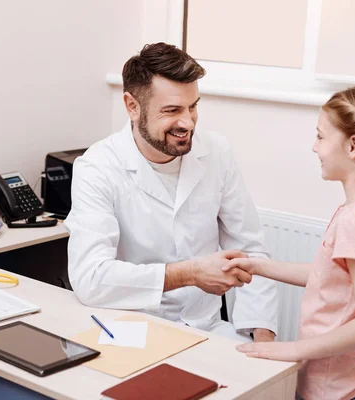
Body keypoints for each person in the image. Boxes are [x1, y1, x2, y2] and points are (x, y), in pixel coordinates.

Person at [65, 42, 278, 342]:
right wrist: (188, 274)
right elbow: (91, 279)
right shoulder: (97, 167)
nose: (187, 122)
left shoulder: (216, 152)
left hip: (207, 328)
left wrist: (262, 340)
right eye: (172, 110)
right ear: (132, 106)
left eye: (193, 107)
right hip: (131, 328)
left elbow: (251, 250)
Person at [224, 84, 355, 399]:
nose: (314, 146)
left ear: (353, 146)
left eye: (321, 137)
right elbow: (330, 277)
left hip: (338, 386)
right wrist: (258, 266)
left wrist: (292, 350)